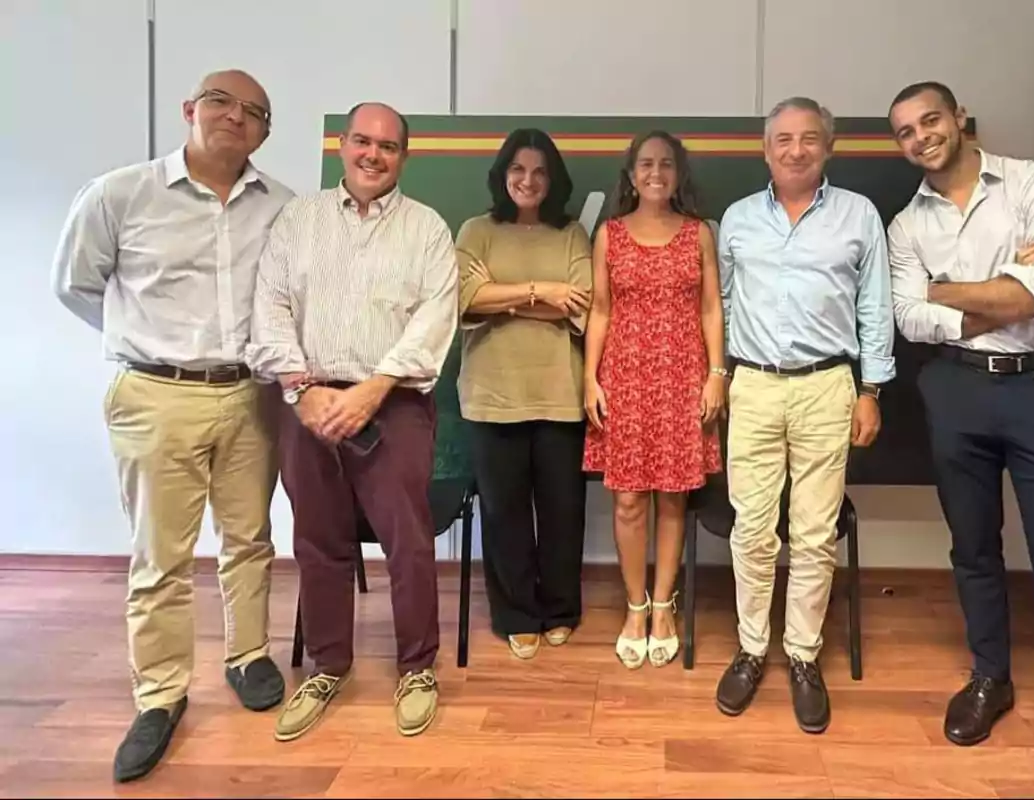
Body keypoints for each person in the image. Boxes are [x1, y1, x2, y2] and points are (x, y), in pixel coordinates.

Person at [886, 81, 1034, 800]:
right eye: (904, 131)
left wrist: (951, 289)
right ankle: (990, 677)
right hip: (956, 391)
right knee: (974, 549)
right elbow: (909, 317)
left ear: (958, 119)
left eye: (930, 120)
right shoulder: (905, 226)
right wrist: (1006, 288)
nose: (921, 136)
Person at [50, 69, 292, 782]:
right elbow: (76, 283)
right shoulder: (121, 194)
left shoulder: (282, 206)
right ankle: (159, 694)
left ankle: (248, 657)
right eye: (221, 102)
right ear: (190, 109)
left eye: (254, 111)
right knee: (162, 556)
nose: (235, 117)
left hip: (250, 393)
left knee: (250, 539)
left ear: (264, 131)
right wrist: (141, 342)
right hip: (156, 395)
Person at [247, 102, 458, 742]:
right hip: (305, 401)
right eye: (363, 142)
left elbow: (433, 317)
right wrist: (302, 388)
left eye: (388, 146)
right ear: (342, 145)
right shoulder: (298, 220)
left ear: (404, 157)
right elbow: (272, 307)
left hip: (393, 402)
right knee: (317, 538)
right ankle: (327, 664)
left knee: (408, 540)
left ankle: (417, 668)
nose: (374, 155)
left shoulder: (427, 229)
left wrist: (373, 388)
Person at [714, 97, 895, 732]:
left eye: (808, 138)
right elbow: (724, 305)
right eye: (783, 139)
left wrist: (871, 388)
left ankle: (802, 655)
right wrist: (727, 373)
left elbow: (875, 305)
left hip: (828, 387)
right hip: (755, 387)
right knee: (752, 530)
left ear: (828, 147)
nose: (795, 149)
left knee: (815, 534)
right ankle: (750, 648)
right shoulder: (736, 220)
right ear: (766, 150)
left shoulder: (858, 215)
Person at [582, 131, 725, 669]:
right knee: (627, 499)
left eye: (666, 163)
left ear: (679, 172)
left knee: (672, 496)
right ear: (631, 173)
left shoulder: (697, 236)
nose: (656, 172)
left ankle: (664, 606)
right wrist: (589, 380)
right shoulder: (610, 235)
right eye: (646, 164)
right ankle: (635, 607)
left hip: (684, 379)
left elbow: (712, 309)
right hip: (624, 379)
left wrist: (716, 374)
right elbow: (600, 310)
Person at [455, 128, 593, 660]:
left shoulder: (572, 234)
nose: (528, 180)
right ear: (502, 174)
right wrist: (540, 292)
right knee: (504, 512)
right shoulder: (477, 229)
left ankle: (560, 609)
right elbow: (461, 297)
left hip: (560, 393)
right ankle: (515, 613)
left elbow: (582, 305)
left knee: (562, 511)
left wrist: (500, 297)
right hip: (492, 396)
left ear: (552, 179)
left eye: (539, 171)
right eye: (518, 169)